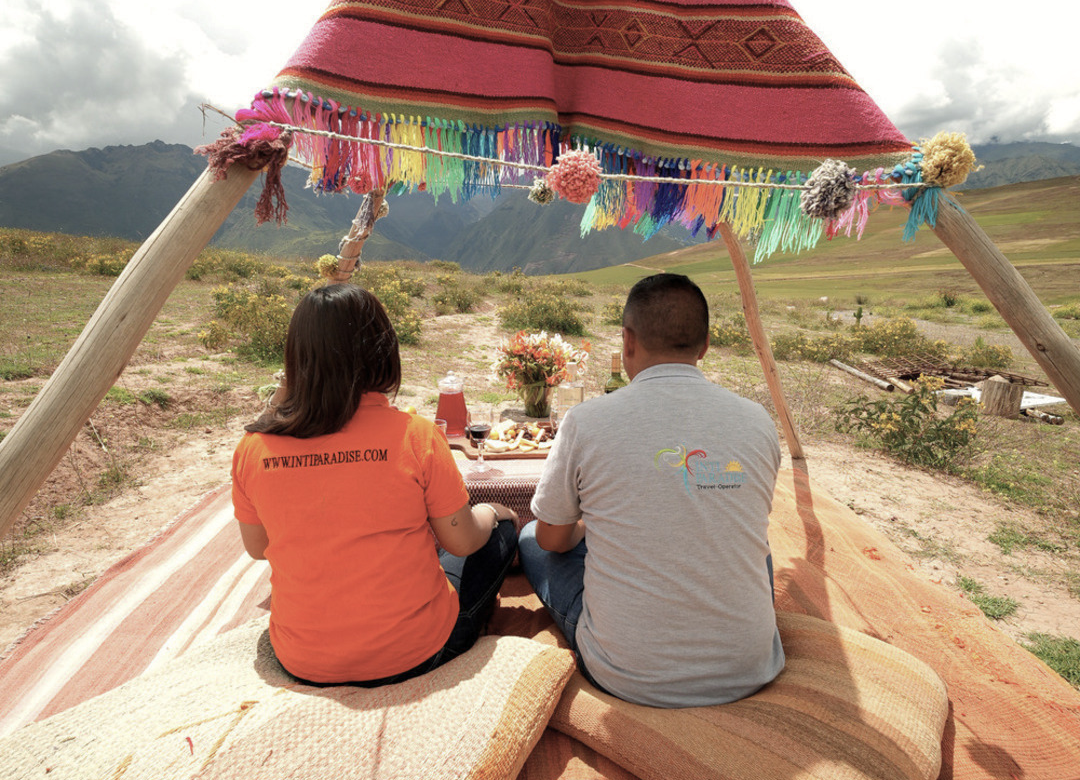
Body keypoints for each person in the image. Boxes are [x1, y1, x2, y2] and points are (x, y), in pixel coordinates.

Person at [519, 272, 784, 707]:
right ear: (704, 345)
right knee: (755, 543)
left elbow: (552, 537)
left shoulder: (587, 421)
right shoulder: (756, 420)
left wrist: (591, 529)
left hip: (626, 673)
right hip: (749, 666)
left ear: (627, 341)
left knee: (532, 538)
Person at [231, 283, 518, 686]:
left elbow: (258, 548)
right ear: (382, 352)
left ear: (297, 359)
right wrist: (491, 512)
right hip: (415, 653)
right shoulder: (415, 436)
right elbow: (462, 542)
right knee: (499, 532)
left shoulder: (253, 448)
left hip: (302, 660)